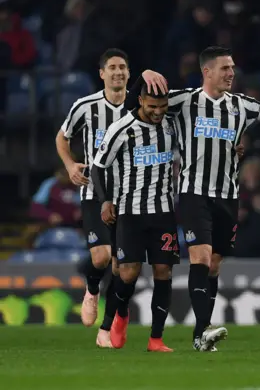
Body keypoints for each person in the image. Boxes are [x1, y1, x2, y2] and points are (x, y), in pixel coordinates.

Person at [134, 46, 260, 352]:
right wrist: (143, 75)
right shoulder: (184, 100)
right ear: (207, 71)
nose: (231, 73)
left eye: (232, 68)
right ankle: (204, 330)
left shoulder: (242, 106)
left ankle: (198, 335)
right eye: (225, 68)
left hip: (228, 196)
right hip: (194, 193)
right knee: (201, 257)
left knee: (215, 264)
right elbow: (139, 106)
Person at [91, 85, 178, 352]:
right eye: (152, 106)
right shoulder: (121, 128)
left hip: (163, 210)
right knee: (128, 273)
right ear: (140, 101)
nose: (157, 112)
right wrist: (106, 200)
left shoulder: (172, 123)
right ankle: (118, 317)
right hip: (130, 212)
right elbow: (97, 167)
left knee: (164, 272)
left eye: (162, 106)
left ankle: (156, 339)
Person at [54, 48, 131, 348]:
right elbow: (62, 137)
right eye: (111, 67)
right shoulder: (85, 106)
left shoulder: (138, 107)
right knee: (101, 256)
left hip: (129, 196)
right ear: (102, 74)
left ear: (128, 73)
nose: (117, 72)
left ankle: (106, 328)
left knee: (120, 266)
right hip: (94, 193)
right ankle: (91, 287)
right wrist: (71, 164)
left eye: (122, 67)